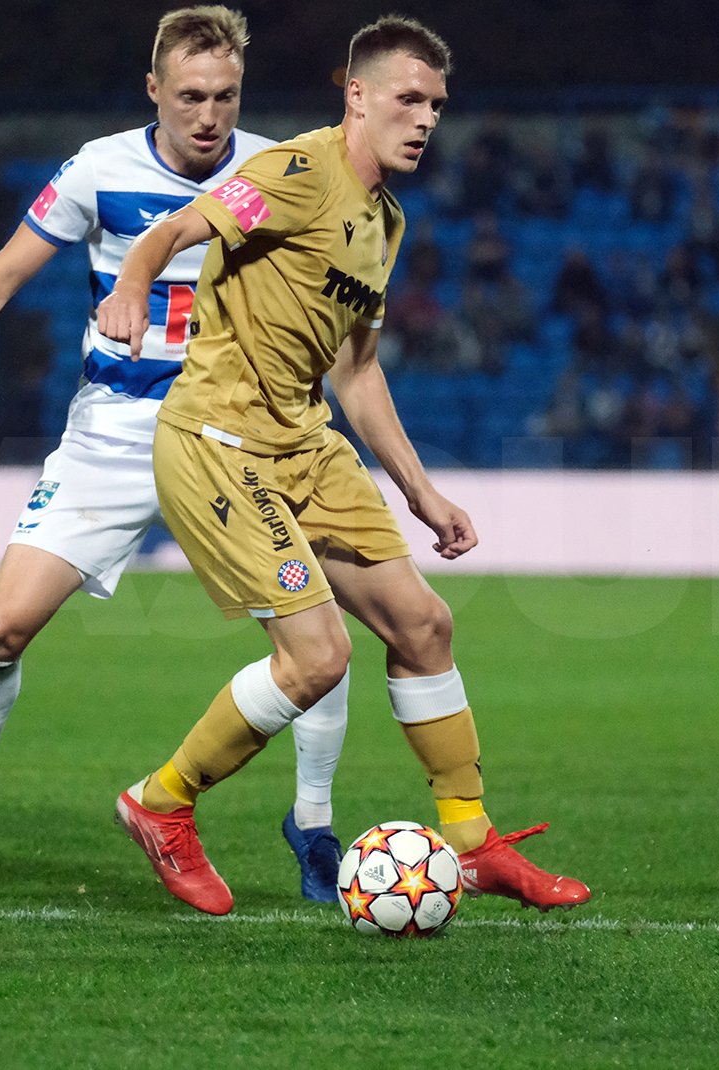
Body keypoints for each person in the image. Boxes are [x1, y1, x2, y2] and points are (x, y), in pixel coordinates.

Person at [82, 15, 590, 916]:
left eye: (437, 103)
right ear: (355, 94)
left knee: (423, 625)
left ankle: (471, 844)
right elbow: (174, 231)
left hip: (309, 445)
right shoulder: (295, 171)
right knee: (317, 656)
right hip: (219, 442)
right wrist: (127, 288)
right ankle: (160, 804)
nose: (427, 118)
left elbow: (356, 373)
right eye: (408, 98)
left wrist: (424, 493)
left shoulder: (384, 221)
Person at [0, 7, 352, 904]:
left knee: (315, 632)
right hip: (115, 434)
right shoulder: (100, 169)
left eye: (225, 96)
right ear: (154, 90)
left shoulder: (274, 173)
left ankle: (311, 824)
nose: (209, 115)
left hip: (236, 435)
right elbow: (4, 270)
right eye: (190, 95)